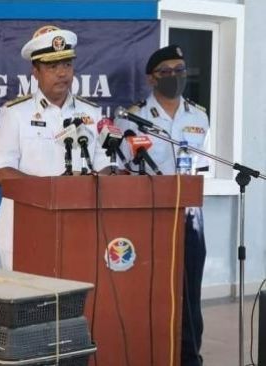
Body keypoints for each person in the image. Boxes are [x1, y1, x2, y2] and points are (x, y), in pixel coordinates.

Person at [0, 25, 113, 270]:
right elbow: (1, 171)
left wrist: (95, 183)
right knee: (27, 304)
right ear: (35, 72)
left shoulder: (91, 112)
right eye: (52, 66)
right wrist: (52, 193)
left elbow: (106, 163)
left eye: (67, 64)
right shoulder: (15, 113)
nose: (62, 73)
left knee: (74, 302)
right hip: (24, 227)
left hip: (79, 226)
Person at [116, 44, 209, 366]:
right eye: (166, 72)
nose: (174, 77)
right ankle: (147, 354)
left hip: (189, 218)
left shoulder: (199, 116)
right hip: (148, 218)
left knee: (188, 295)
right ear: (151, 79)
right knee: (147, 290)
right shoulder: (134, 116)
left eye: (180, 71)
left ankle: (188, 356)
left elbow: (201, 166)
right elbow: (121, 165)